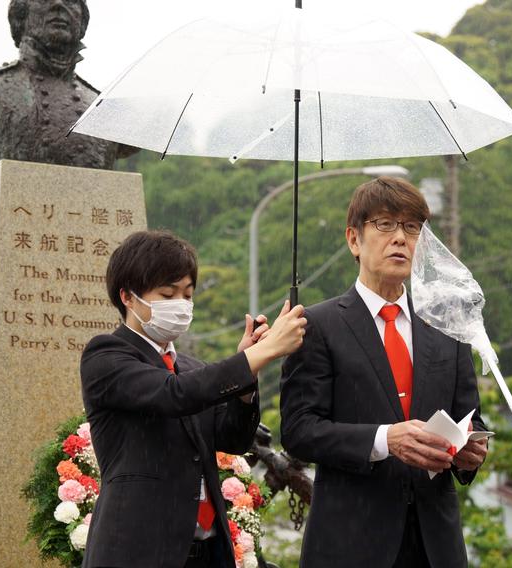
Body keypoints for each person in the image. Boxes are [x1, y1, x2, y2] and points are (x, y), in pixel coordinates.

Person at [280, 177, 489, 567]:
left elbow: (469, 417)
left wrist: (471, 451)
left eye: (412, 227)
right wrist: (384, 439)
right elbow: (299, 431)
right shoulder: (317, 325)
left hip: (435, 544)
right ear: (354, 240)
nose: (400, 238)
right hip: (350, 542)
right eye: (385, 224)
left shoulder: (446, 325)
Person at [81, 230, 306, 568]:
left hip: (208, 553)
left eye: (187, 294)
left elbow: (233, 438)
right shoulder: (106, 355)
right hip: (137, 551)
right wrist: (263, 352)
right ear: (127, 297)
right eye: (168, 294)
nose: (181, 305)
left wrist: (246, 384)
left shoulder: (191, 367)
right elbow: (174, 394)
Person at [0, 0, 136, 170]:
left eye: (71, 0)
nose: (58, 4)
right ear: (19, 17)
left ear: (82, 22)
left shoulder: (109, 116)